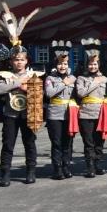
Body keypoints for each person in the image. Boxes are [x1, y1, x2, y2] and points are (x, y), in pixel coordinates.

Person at [0, 45, 38, 186]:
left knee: (30, 144)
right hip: (11, 115)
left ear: (26, 61)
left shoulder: (33, 75)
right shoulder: (6, 75)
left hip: (28, 114)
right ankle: (5, 174)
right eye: (15, 60)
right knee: (8, 145)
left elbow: (40, 94)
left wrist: (29, 88)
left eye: (21, 59)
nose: (19, 62)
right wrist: (18, 83)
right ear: (11, 62)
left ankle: (31, 172)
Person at [76, 50, 107, 178]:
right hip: (86, 113)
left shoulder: (105, 79)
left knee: (100, 141)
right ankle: (90, 167)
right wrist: (95, 83)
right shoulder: (81, 78)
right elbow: (80, 93)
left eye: (95, 64)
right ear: (86, 65)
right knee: (88, 142)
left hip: (101, 114)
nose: (93, 66)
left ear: (99, 65)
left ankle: (98, 165)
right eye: (90, 64)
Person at [44, 48, 78, 180]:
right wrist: (64, 83)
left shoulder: (73, 78)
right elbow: (49, 93)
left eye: (65, 64)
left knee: (68, 142)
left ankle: (66, 166)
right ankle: (57, 169)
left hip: (69, 114)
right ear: (55, 64)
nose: (62, 66)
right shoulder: (50, 78)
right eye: (59, 63)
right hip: (54, 114)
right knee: (56, 142)